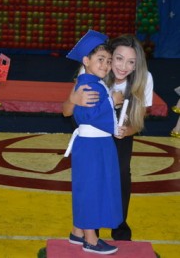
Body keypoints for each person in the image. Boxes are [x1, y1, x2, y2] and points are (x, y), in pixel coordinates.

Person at [63, 34, 153, 241]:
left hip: (121, 133)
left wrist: (127, 131)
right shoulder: (96, 70)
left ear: (137, 64)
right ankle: (89, 232)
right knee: (91, 182)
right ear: (109, 56)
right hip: (93, 137)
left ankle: (120, 231)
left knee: (120, 179)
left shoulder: (144, 78)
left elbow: (139, 119)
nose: (123, 66)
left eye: (131, 62)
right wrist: (74, 99)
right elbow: (67, 111)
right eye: (118, 59)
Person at [63, 30, 124, 255]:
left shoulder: (91, 81)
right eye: (101, 59)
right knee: (91, 189)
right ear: (86, 61)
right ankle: (90, 239)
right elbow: (87, 115)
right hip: (92, 146)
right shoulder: (90, 85)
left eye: (108, 61)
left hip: (94, 145)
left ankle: (78, 232)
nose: (106, 65)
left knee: (89, 186)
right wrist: (112, 101)